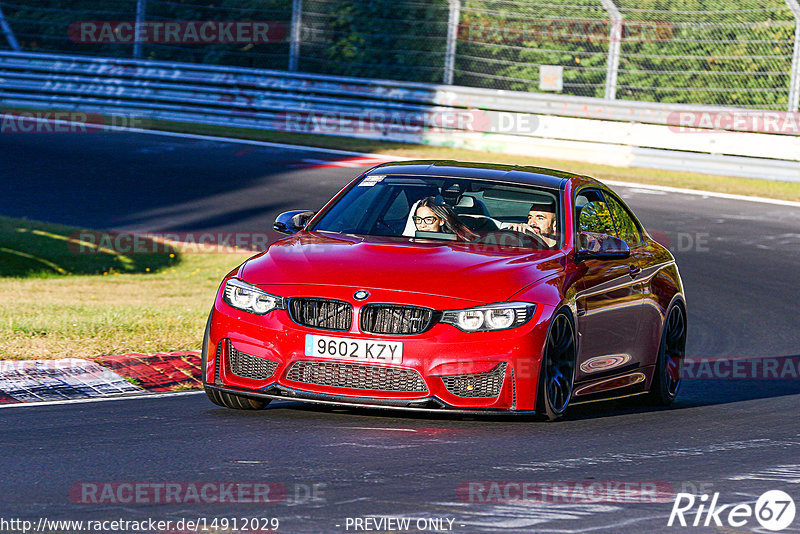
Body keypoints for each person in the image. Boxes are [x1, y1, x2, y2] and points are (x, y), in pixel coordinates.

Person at [413, 196, 477, 241]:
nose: (422, 225)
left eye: (429, 220)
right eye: (418, 219)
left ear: (441, 221)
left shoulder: (458, 245)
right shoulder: (408, 244)